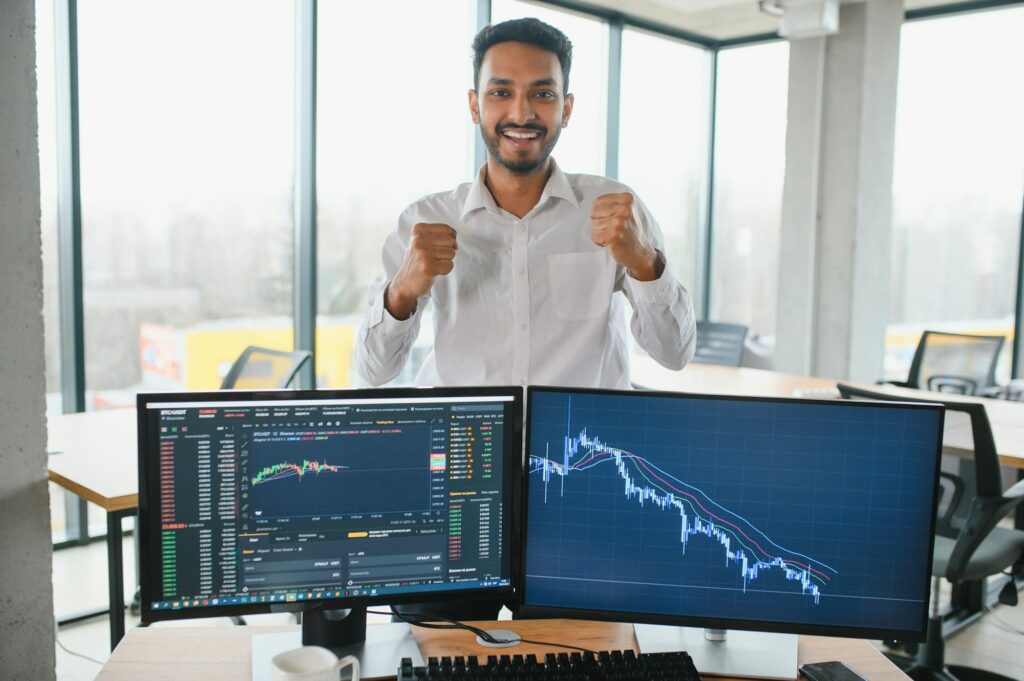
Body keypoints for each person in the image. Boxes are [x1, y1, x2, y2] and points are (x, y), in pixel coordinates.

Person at [356, 18, 696, 619]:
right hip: (455, 490)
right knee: (442, 658)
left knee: (585, 660)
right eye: (501, 91)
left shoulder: (617, 209)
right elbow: (373, 368)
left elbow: (675, 353)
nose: (522, 110)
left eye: (542, 93)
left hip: (582, 487)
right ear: (474, 104)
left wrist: (643, 263)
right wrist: (405, 287)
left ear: (566, 108)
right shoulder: (424, 218)